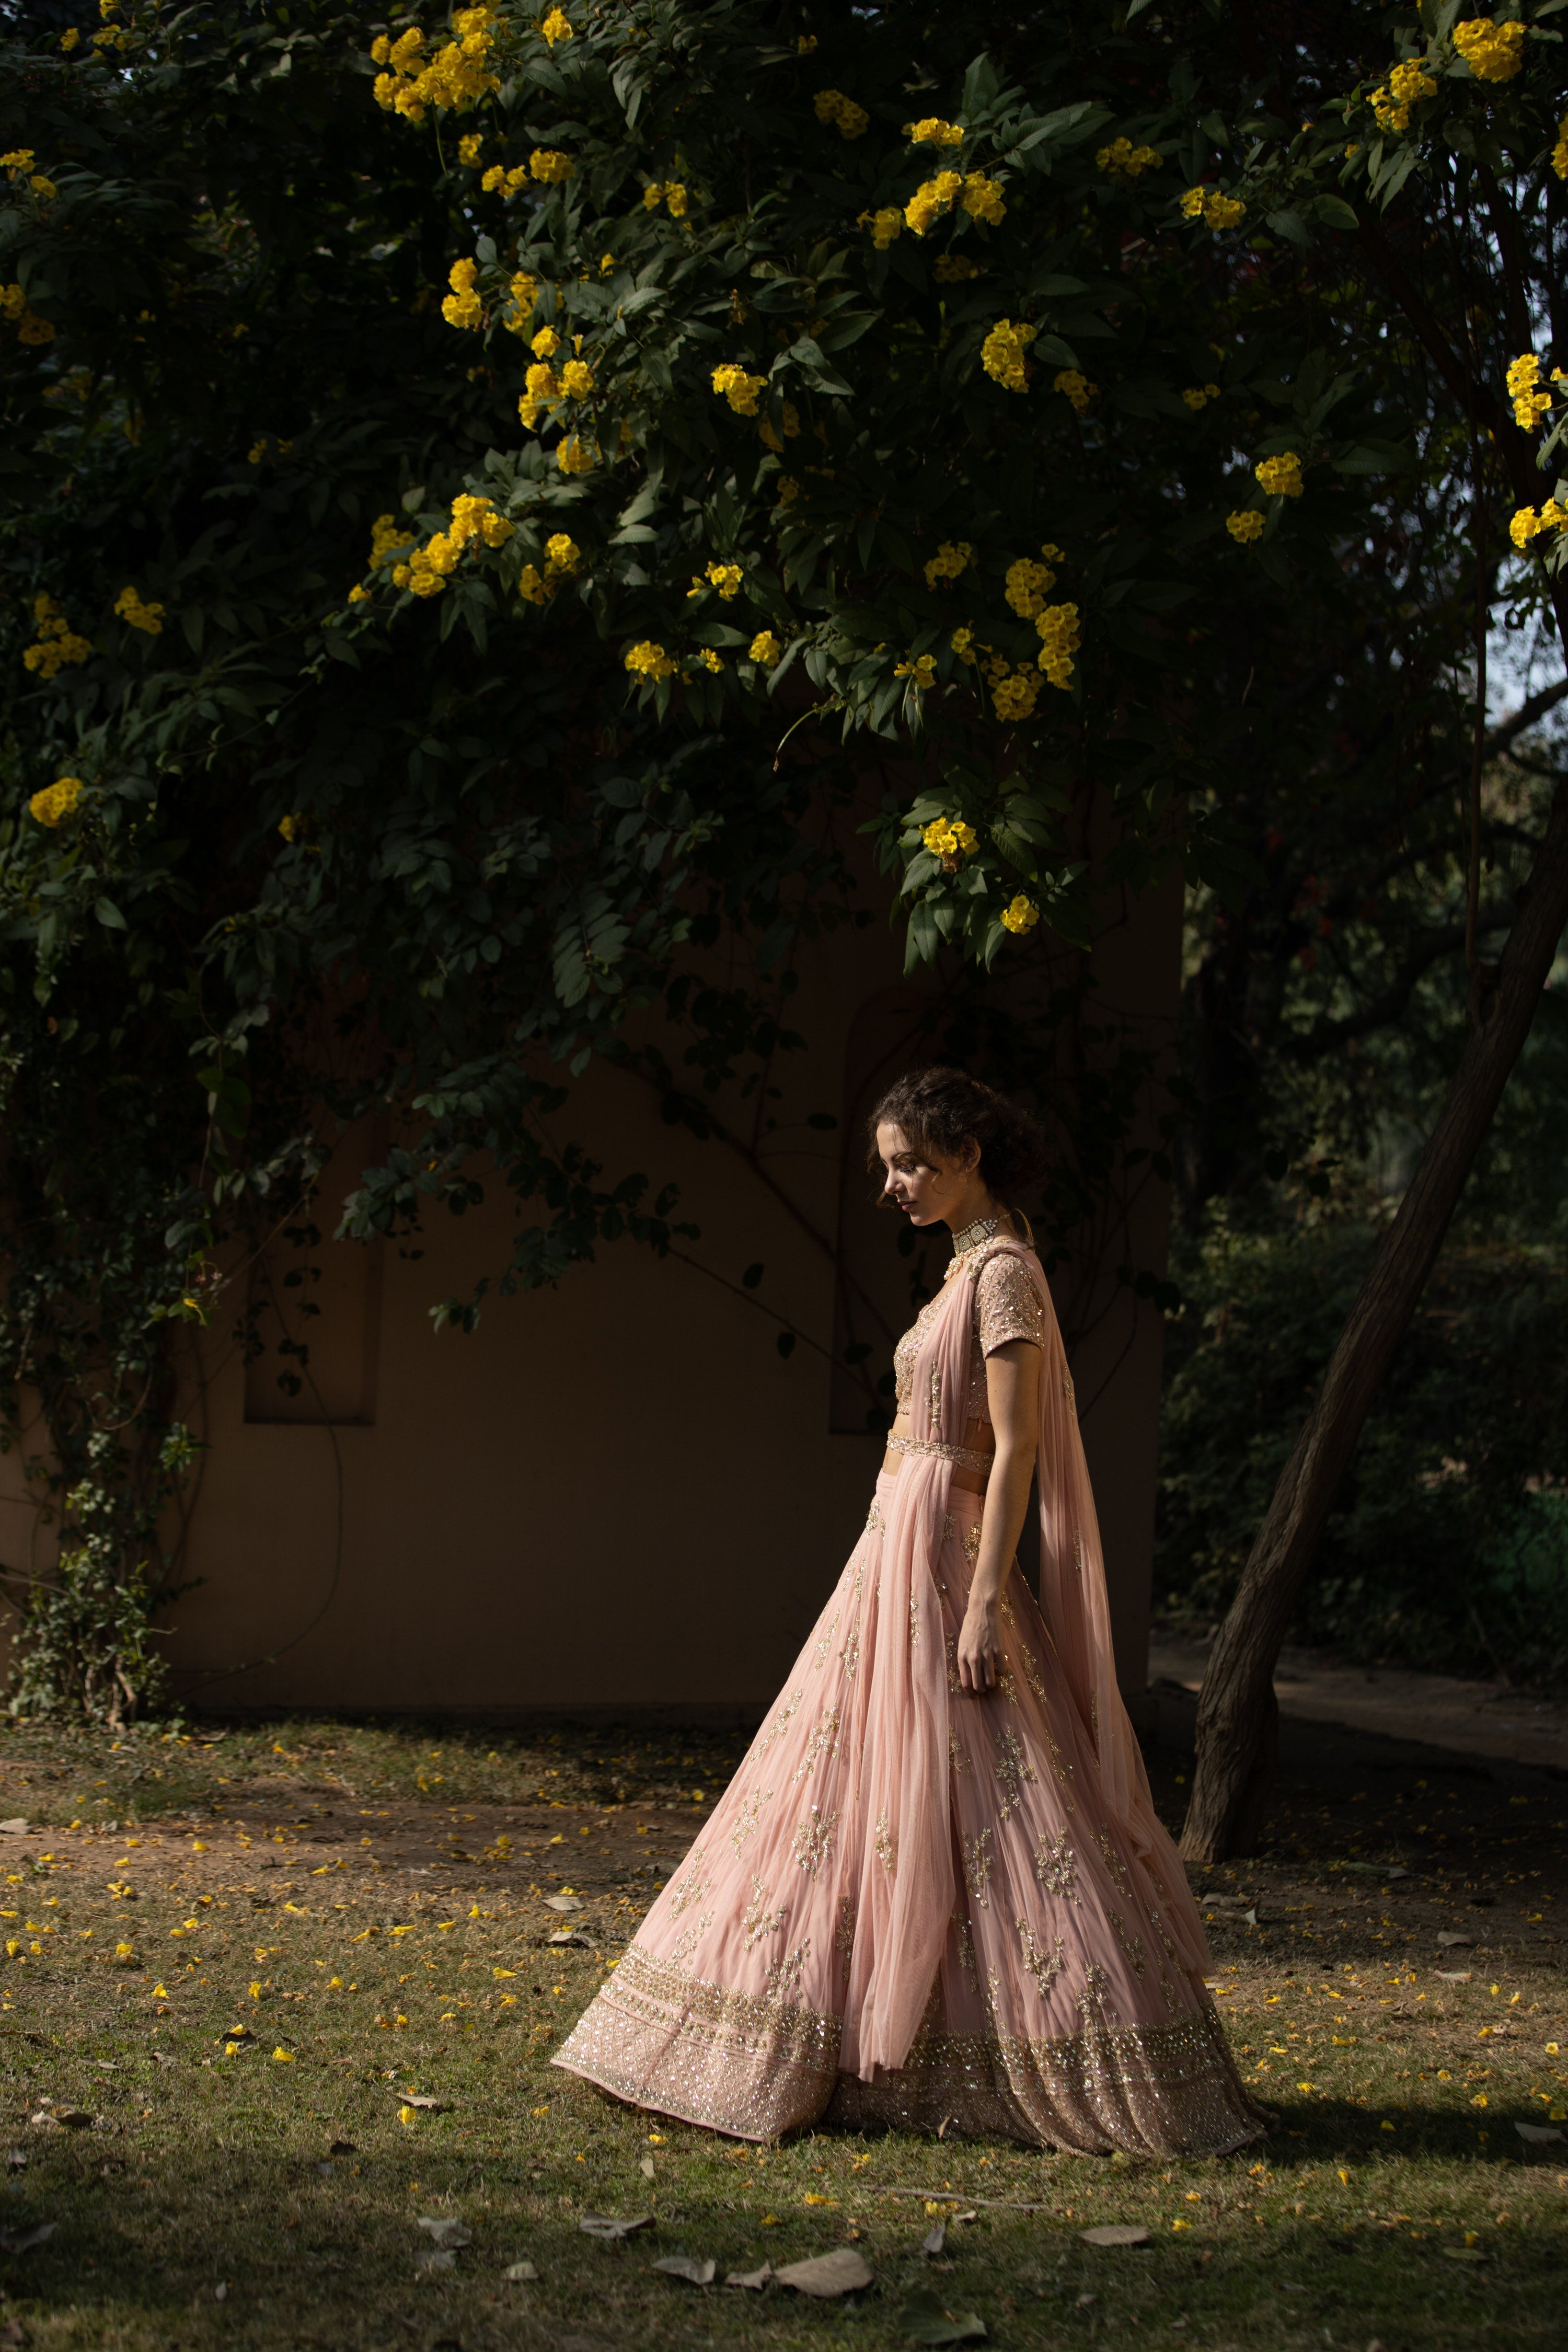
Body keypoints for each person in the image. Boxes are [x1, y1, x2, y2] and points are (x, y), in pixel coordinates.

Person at [554, 1068, 1267, 2155]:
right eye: (887, 1164)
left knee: (994, 1797)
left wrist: (985, 1601)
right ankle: (808, 2040)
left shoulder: (1005, 1276)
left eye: (913, 1163)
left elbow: (1018, 1448)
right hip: (895, 1553)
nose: (894, 1183)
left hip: (947, 1557)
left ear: (970, 1154)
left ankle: (1042, 2052)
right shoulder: (961, 1273)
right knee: (844, 1780)